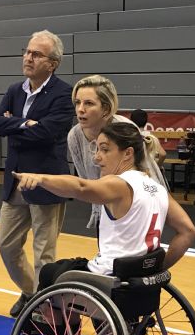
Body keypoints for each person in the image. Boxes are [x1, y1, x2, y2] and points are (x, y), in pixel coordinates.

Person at [13, 122, 195, 295]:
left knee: (48, 272)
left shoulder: (120, 183)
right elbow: (188, 232)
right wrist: (158, 267)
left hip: (110, 277)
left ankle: (65, 326)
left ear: (127, 153)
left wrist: (41, 179)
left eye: (105, 149)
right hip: (140, 277)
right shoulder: (158, 188)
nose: (96, 156)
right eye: (97, 148)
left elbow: (81, 187)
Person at [0, 30, 75, 318]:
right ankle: (31, 293)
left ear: (53, 63)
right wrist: (26, 124)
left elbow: (49, 132)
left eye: (36, 54)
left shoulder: (64, 93)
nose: (28, 57)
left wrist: (14, 124)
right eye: (27, 51)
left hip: (46, 182)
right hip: (15, 182)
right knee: (6, 245)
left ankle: (42, 308)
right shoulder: (15, 90)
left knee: (44, 254)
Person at [68, 75, 167, 228]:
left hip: (135, 210)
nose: (80, 109)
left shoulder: (125, 129)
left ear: (106, 109)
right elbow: (87, 184)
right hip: (102, 210)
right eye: (77, 102)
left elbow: (148, 177)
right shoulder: (74, 136)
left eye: (88, 103)